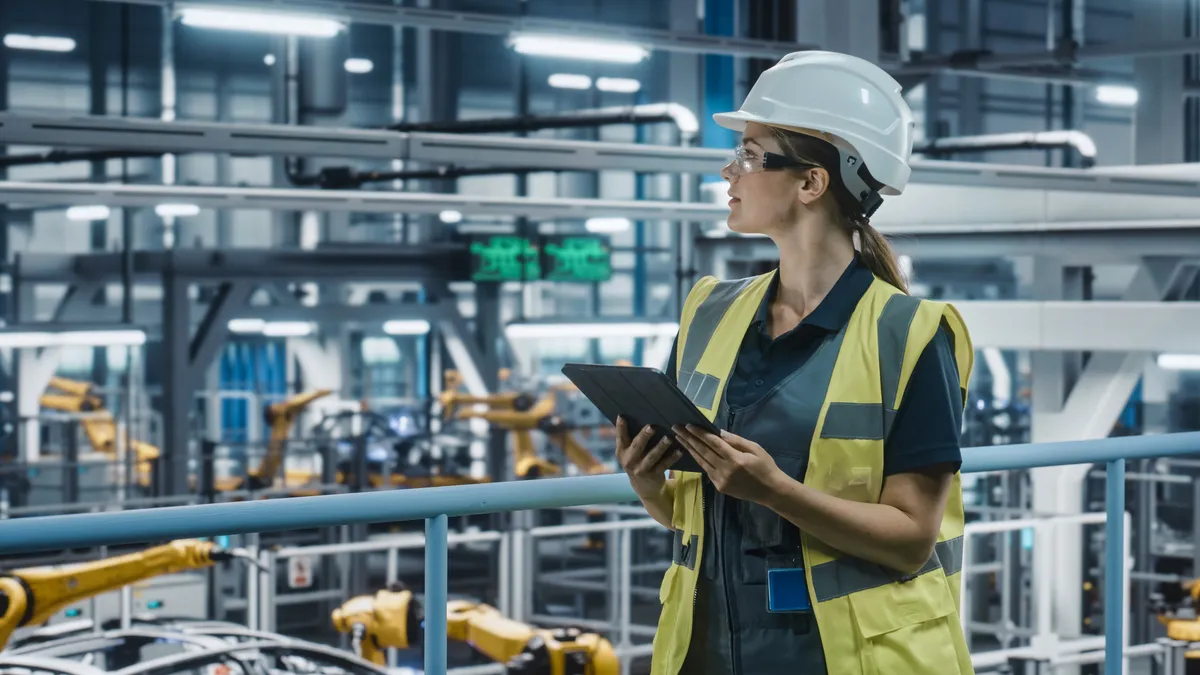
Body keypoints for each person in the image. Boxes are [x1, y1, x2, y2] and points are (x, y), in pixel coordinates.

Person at [615, 51, 975, 675]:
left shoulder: (911, 336)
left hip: (846, 659)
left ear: (812, 183)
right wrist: (651, 486)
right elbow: (708, 508)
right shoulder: (708, 312)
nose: (730, 171)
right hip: (713, 654)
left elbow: (913, 537)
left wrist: (776, 490)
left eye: (751, 155)